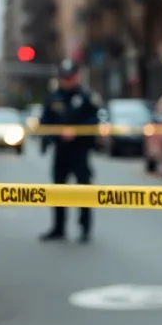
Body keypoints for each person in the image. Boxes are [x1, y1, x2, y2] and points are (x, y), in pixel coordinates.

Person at [39, 59, 101, 243]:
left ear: (77, 76)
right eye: (64, 77)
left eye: (70, 77)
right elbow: (45, 122)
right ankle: (58, 228)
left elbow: (95, 121)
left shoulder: (87, 97)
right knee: (58, 190)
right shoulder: (53, 97)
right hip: (61, 150)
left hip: (80, 150)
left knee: (84, 190)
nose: (67, 81)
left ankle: (85, 228)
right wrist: (50, 138)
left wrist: (77, 131)